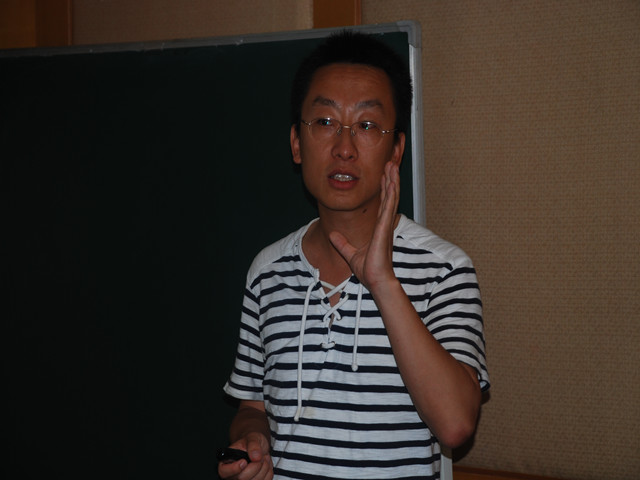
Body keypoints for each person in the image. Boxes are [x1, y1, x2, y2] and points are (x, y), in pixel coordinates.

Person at [219, 31, 490, 480]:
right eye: (325, 121)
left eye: (366, 126)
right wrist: (252, 437)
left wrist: (382, 281)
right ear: (296, 143)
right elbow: (253, 406)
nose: (344, 148)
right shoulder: (267, 272)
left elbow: (456, 425)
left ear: (396, 149)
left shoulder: (445, 270)